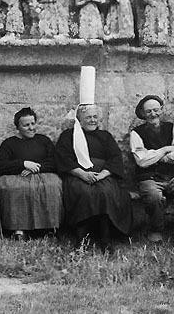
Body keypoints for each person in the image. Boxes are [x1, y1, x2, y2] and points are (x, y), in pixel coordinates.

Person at [55, 104, 132, 249]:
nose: (92, 120)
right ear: (79, 120)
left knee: (105, 192)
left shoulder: (105, 136)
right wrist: (82, 174)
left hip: (103, 174)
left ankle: (105, 237)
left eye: (95, 117)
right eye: (88, 117)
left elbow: (115, 158)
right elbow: (63, 158)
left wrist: (102, 175)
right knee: (84, 192)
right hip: (77, 174)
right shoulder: (68, 136)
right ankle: (82, 237)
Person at [130, 95, 174, 251]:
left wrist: (152, 155)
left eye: (156, 110)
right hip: (149, 177)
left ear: (161, 110)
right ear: (143, 114)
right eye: (148, 111)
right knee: (154, 196)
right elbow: (141, 161)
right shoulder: (136, 133)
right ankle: (156, 230)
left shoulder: (173, 128)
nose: (153, 114)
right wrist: (165, 150)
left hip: (173, 176)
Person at [0, 107, 63, 240]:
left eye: (33, 123)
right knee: (16, 188)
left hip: (43, 174)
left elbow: (55, 162)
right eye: (26, 125)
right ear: (18, 127)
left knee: (52, 186)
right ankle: (18, 229)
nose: (31, 128)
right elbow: (0, 166)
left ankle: (49, 227)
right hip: (17, 175)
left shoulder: (43, 140)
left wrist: (36, 167)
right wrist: (23, 164)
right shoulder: (9, 144)